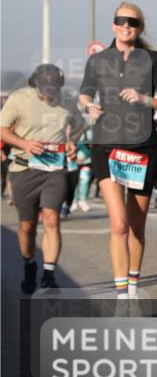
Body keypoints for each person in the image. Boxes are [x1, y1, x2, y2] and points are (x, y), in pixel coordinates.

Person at [80, 3, 157, 303]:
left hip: (142, 149)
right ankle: (122, 297)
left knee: (136, 226)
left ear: (140, 27)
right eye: (121, 20)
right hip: (106, 146)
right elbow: (84, 94)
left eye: (132, 22)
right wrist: (90, 106)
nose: (126, 25)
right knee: (119, 224)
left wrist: (144, 99)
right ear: (113, 24)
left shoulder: (153, 60)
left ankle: (133, 289)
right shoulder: (98, 60)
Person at [1, 64, 82, 292]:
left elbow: (79, 125)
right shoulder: (19, 99)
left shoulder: (67, 100)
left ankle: (49, 274)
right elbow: (2, 129)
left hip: (54, 170)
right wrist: (24, 143)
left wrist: (72, 143)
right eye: (44, 89)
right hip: (23, 169)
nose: (49, 93)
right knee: (27, 226)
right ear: (34, 83)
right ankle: (30, 264)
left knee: (52, 219)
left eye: (53, 88)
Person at [69, 126, 94, 212]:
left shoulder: (89, 132)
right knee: (74, 181)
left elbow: (92, 146)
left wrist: (86, 155)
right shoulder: (71, 131)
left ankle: (83, 200)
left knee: (85, 180)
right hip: (73, 161)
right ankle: (73, 201)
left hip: (86, 161)